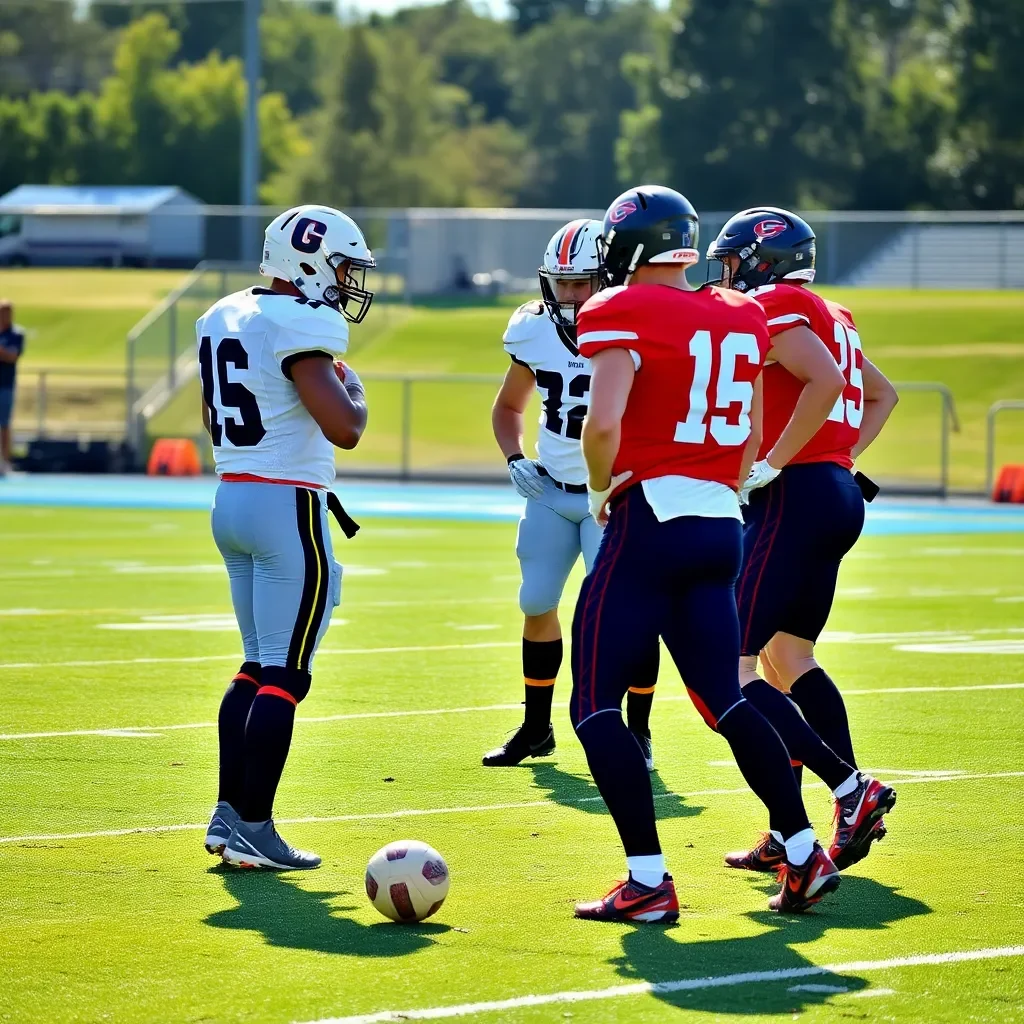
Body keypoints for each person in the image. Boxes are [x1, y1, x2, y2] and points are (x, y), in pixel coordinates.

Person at [570, 185, 839, 923]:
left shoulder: (618, 308)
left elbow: (603, 424)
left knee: (594, 704)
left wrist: (600, 488)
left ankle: (648, 879)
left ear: (628, 245)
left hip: (649, 516)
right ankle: (803, 850)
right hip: (723, 523)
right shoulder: (743, 312)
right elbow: (750, 431)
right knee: (727, 699)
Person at [707, 207, 899, 872]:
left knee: (728, 671)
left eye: (733, 263)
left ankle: (849, 789)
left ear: (764, 259)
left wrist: (778, 461)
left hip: (797, 495)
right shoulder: (833, 313)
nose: (728, 276)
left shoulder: (781, 304)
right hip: (834, 492)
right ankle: (798, 829)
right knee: (788, 659)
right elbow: (883, 395)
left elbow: (827, 383)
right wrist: (839, 457)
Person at [199, 204, 373, 870]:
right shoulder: (303, 322)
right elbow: (343, 428)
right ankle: (255, 826)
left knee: (255, 663)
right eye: (341, 267)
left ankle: (229, 814)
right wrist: (355, 394)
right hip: (286, 507)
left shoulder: (225, 313)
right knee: (284, 676)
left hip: (232, 497)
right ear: (306, 260)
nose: (346, 283)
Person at [484, 219, 659, 770]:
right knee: (536, 602)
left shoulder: (637, 325)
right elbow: (509, 407)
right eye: (559, 283)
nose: (568, 295)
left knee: (627, 614)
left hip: (613, 493)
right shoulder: (533, 330)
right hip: (551, 492)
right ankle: (538, 728)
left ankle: (639, 732)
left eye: (580, 282)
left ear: (606, 277)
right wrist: (515, 459)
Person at [0, 299, 25, 474]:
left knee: (5, 424)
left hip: (5, 385)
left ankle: (6, 462)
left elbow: (12, 356)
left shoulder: (16, 334)